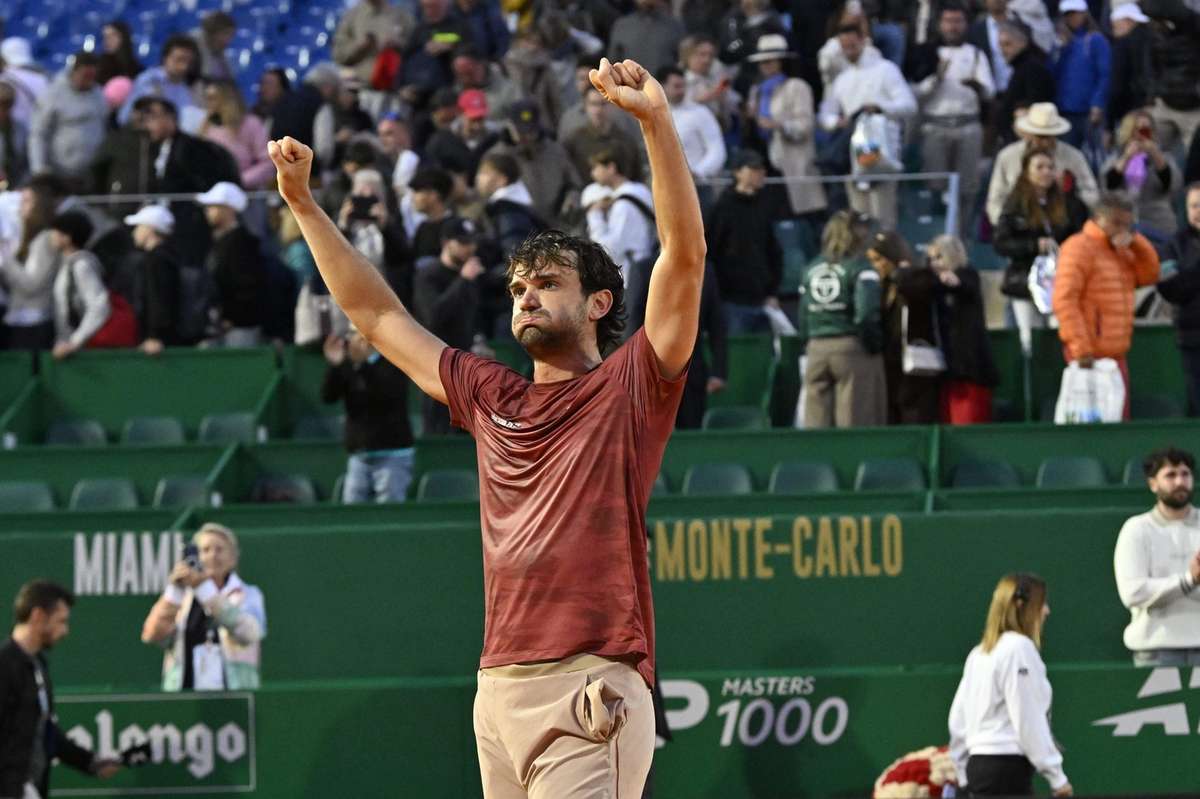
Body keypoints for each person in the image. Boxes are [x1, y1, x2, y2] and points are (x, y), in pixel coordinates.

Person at [269, 55, 705, 798]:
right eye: (518, 288)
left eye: (548, 284)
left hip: (589, 676)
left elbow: (685, 258)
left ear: (599, 303)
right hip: (497, 688)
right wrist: (305, 204)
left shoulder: (633, 383)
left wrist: (656, 123)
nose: (526, 298)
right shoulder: (487, 392)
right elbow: (376, 316)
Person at [948, 573, 1072, 797]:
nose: (1046, 611)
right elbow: (1027, 717)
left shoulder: (979, 654)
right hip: (1005, 774)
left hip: (979, 771)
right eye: (1041, 604)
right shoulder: (1018, 648)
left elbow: (958, 721)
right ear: (1021, 606)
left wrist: (963, 774)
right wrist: (1056, 776)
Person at [1, 580, 122, 799]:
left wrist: (89, 762)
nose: (65, 631)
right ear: (38, 616)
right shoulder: (5, 665)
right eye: (61, 621)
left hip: (28, 789)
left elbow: (46, 731)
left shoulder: (38, 665)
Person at [1052, 193, 1161, 418]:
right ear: (1099, 218)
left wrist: (1137, 242)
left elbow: (1149, 274)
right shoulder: (1078, 248)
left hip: (1116, 354)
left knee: (1119, 419)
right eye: (1116, 223)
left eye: (1128, 225)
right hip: (1088, 356)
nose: (1122, 230)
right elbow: (1064, 299)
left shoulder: (1121, 250)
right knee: (1090, 423)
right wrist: (1080, 347)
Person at [140, 523, 267, 691]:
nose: (213, 556)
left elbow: (250, 634)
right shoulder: (183, 598)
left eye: (219, 550)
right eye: (205, 550)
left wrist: (206, 591)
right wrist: (174, 592)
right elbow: (152, 635)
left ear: (233, 558)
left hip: (235, 696)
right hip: (185, 698)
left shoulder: (248, 594)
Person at [818, 24, 916, 230]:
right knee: (858, 217)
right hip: (852, 152)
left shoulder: (886, 69)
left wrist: (879, 107)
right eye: (844, 47)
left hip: (880, 150)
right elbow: (825, 114)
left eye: (852, 45)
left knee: (883, 216)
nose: (848, 50)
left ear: (863, 40)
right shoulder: (841, 79)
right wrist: (838, 121)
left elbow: (909, 105)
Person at [993, 148, 1090, 353]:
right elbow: (1001, 243)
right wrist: (1033, 246)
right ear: (1027, 172)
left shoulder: (1070, 203)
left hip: (1062, 281)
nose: (1046, 172)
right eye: (1039, 167)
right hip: (1025, 281)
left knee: (1062, 334)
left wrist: (1066, 250)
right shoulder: (1015, 204)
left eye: (1050, 167)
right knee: (1029, 340)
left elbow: (1083, 236)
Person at [797, 210, 886, 428]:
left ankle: (817, 462)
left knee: (815, 423)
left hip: (816, 348)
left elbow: (803, 315)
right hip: (850, 347)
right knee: (854, 421)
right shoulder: (861, 267)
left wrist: (809, 342)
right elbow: (866, 314)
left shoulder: (810, 269)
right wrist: (874, 344)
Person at [1114, 447, 1200, 666]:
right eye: (1171, 475)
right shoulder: (1136, 529)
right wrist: (1189, 581)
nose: (1180, 481)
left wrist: (1165, 589)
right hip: (1155, 651)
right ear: (1153, 483)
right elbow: (1133, 593)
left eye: (1185, 474)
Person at [912, 3, 993, 231]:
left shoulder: (975, 54)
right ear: (940, 25)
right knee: (936, 183)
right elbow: (915, 93)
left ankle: (962, 235)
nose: (953, 27)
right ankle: (935, 235)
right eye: (948, 21)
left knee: (967, 187)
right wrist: (936, 78)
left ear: (965, 25)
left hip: (967, 124)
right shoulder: (927, 53)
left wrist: (976, 86)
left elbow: (990, 91)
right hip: (935, 125)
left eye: (957, 21)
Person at [321, 325, 417, 496]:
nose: (353, 339)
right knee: (352, 514)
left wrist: (363, 365)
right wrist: (335, 366)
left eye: (357, 333)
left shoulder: (395, 360)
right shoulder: (350, 364)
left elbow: (384, 395)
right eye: (351, 333)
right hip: (359, 456)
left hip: (393, 454)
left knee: (389, 514)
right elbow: (328, 397)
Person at [413, 217, 485, 434]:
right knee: (439, 430)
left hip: (467, 367)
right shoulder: (429, 275)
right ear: (446, 243)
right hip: (437, 366)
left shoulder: (472, 275)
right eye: (462, 242)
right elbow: (434, 315)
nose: (469, 248)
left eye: (471, 242)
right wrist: (462, 281)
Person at [744, 35, 826, 221]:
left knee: (804, 217)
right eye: (762, 62)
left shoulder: (796, 87)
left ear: (782, 62)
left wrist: (779, 125)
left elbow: (805, 126)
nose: (765, 66)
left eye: (769, 61)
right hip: (764, 158)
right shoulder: (757, 90)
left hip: (793, 161)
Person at [705, 149, 784, 334]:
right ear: (737, 172)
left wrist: (772, 291)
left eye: (761, 168)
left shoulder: (764, 205)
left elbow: (774, 251)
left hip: (763, 299)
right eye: (753, 168)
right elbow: (711, 254)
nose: (760, 172)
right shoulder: (722, 209)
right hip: (731, 301)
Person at [867, 231, 941, 425]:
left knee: (915, 415)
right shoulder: (878, 285)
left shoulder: (918, 276)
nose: (875, 266)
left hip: (915, 362)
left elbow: (921, 290)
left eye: (878, 260)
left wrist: (899, 273)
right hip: (889, 362)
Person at [986, 103, 1099, 227]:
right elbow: (995, 199)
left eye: (1048, 136)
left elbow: (1092, 195)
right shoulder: (1007, 156)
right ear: (1029, 133)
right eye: (1039, 136)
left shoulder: (1074, 157)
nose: (1044, 141)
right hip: (1019, 227)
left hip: (1063, 226)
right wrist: (1006, 224)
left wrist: (1068, 193)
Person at [926, 235, 999, 424]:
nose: (935, 263)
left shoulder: (968, 275)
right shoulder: (933, 284)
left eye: (939, 257)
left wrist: (953, 282)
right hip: (947, 368)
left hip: (969, 367)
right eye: (932, 259)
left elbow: (965, 285)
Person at [197, 182, 268, 347]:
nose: (207, 211)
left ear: (228, 209)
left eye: (213, 206)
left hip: (239, 328)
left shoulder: (241, 242)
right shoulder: (221, 241)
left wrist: (232, 318)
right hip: (223, 326)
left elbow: (247, 285)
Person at [29, 52, 107, 191]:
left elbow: (103, 124)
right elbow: (38, 133)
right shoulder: (53, 94)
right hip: (60, 172)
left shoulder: (98, 94)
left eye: (92, 77)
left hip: (91, 172)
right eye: (85, 76)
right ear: (74, 72)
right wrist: (39, 169)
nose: (89, 81)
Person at [1102, 111, 1182, 242]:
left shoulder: (1163, 158)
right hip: (1123, 223)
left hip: (1158, 223)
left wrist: (1155, 154)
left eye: (1146, 130)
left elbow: (1172, 185)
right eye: (1136, 130)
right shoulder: (1116, 159)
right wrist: (1127, 157)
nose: (1140, 135)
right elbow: (1108, 186)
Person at [48, 211, 116, 361]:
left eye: (56, 231)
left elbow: (99, 305)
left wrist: (74, 342)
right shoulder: (66, 265)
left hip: (83, 352)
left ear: (67, 237)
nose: (51, 235)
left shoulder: (81, 265)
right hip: (70, 349)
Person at [1156, 183, 1200, 414]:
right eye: (1194, 206)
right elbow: (1171, 289)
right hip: (1192, 339)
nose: (1198, 211)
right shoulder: (1172, 246)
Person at [585, 147, 656, 288]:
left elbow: (609, 250)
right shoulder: (641, 190)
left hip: (633, 275)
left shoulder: (623, 205)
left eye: (596, 167)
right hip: (649, 265)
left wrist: (595, 215)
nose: (592, 173)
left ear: (611, 167)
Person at [1051, 0, 1111, 148]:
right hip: (1064, 110)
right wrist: (1059, 49)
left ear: (1084, 14)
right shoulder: (1060, 42)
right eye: (1068, 14)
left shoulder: (1095, 40)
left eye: (1075, 13)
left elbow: (1105, 74)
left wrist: (1097, 103)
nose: (1072, 18)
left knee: (1094, 156)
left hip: (1088, 111)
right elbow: (1051, 73)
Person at [123, 204, 181, 356]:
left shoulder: (157, 260)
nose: (134, 232)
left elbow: (159, 298)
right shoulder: (167, 256)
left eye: (138, 226)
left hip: (158, 344)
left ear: (149, 228)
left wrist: (154, 336)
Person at [990, 20, 1056, 149]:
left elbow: (1036, 102)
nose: (1003, 50)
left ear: (1023, 43)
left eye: (1007, 44)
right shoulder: (1022, 67)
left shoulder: (1032, 68)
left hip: (1027, 140)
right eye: (1000, 45)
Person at [199, 80, 275, 190]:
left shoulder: (250, 123)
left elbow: (268, 163)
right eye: (207, 98)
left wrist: (240, 180)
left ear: (227, 100)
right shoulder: (205, 126)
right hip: (214, 193)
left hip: (246, 194)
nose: (208, 103)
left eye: (213, 98)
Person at [118, 35, 201, 129]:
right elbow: (124, 118)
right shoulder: (148, 80)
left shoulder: (186, 90)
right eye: (179, 60)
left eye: (188, 62)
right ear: (166, 58)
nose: (184, 67)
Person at [607, 0, 685, 76]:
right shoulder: (622, 25)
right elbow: (613, 62)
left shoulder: (674, 26)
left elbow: (682, 61)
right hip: (631, 85)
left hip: (663, 86)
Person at [1108, 4, 1154, 130]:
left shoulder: (1123, 45)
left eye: (1115, 25)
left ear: (1128, 21)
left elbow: (1117, 86)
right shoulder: (1154, 38)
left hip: (1129, 110)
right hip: (1153, 107)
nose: (1113, 30)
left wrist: (1109, 124)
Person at [0, 80, 29, 190]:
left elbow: (26, 162)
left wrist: (22, 185)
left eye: (7, 105)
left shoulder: (20, 129)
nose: (3, 111)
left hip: (16, 188)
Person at [194, 11, 237, 82]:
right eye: (226, 34)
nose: (228, 40)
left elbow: (230, 79)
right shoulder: (193, 46)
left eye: (231, 36)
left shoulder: (220, 52)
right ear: (212, 33)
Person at [96, 20, 142, 85]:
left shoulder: (136, 67)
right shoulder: (98, 67)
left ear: (124, 37)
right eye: (105, 36)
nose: (107, 39)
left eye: (113, 35)